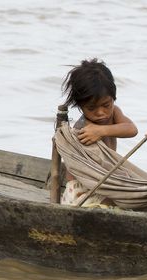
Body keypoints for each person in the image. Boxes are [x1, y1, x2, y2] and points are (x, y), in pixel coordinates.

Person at [59, 58, 138, 206]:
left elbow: (132, 129)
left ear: (113, 99)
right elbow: (85, 172)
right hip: (83, 189)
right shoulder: (82, 130)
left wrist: (102, 130)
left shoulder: (114, 113)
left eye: (106, 105)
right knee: (122, 202)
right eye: (91, 108)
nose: (101, 112)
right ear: (80, 106)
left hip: (106, 181)